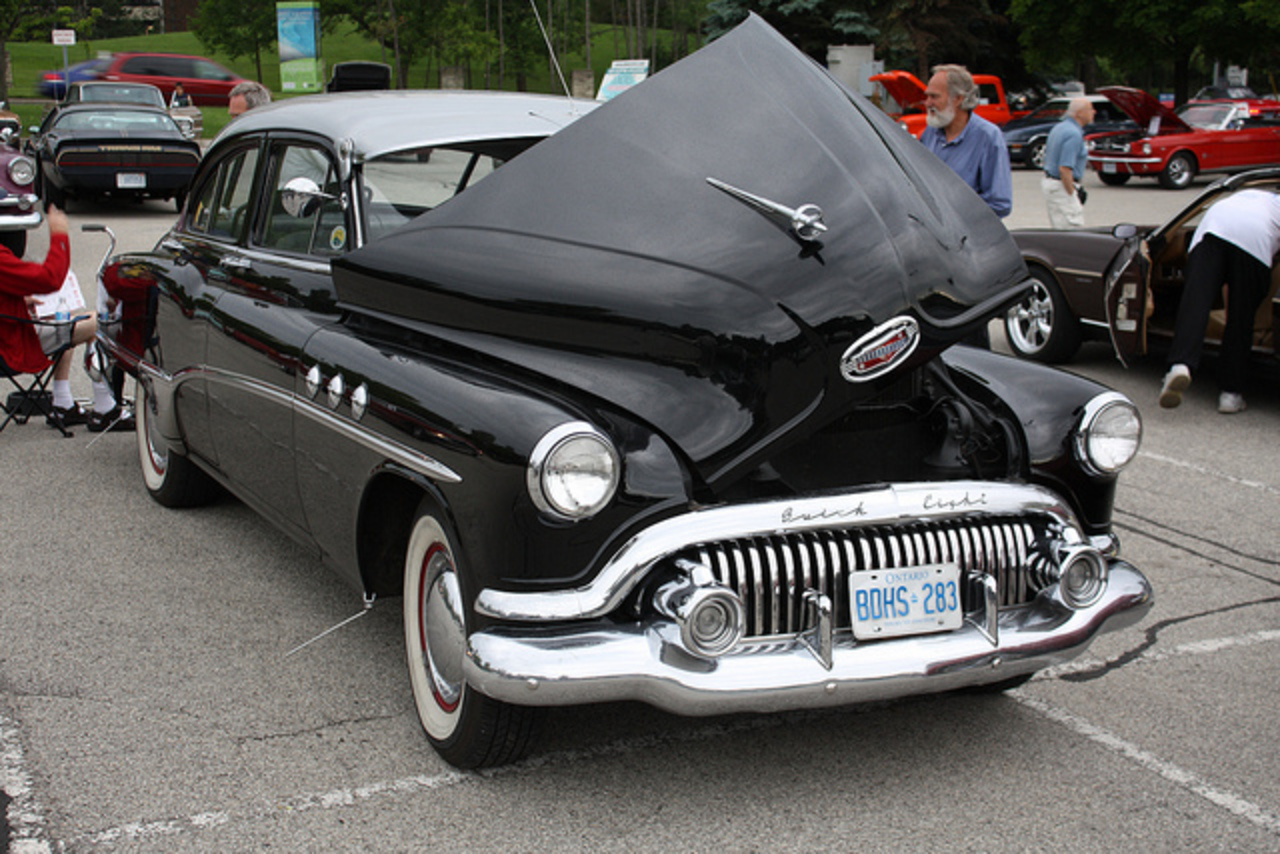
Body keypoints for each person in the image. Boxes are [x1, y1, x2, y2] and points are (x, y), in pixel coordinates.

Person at [0, 207, 132, 432]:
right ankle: (105, 409)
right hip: (10, 347)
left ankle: (63, 403)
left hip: (8, 330)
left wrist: (19, 302)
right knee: (98, 321)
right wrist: (59, 234)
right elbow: (50, 278)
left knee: (65, 319)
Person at [1159, 188, 1280, 414]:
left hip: (1213, 229)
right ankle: (1230, 394)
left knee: (1196, 304)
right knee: (1241, 317)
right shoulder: (1273, 207)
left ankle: (1180, 365)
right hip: (1256, 241)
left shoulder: (1246, 195)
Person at [919, 64, 1013, 219]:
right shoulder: (930, 133)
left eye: (934, 96)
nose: (927, 103)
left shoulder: (988, 137)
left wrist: (951, 214)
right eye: (927, 96)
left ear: (958, 99)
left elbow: (1000, 204)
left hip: (970, 237)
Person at [1041, 97, 1096, 229]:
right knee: (1072, 229)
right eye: (1090, 109)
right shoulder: (1073, 134)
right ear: (1079, 113)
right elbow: (1065, 168)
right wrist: (1072, 194)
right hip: (1061, 186)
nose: (1094, 112)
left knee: (1059, 227)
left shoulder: (1059, 128)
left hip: (1051, 183)